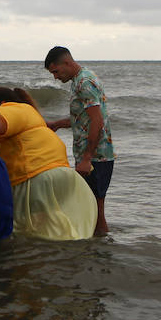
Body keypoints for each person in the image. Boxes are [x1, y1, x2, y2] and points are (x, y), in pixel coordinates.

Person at [0, 86, 96, 241]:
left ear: (3, 103)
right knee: (52, 230)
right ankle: (67, 260)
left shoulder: (11, 109)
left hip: (37, 177)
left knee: (30, 233)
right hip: (64, 176)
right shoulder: (31, 114)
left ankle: (44, 262)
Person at [44, 46, 114, 236]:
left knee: (96, 208)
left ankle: (101, 253)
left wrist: (87, 158)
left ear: (66, 63)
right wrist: (57, 124)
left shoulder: (84, 83)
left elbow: (97, 120)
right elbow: (84, 118)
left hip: (96, 157)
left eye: (56, 72)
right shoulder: (81, 79)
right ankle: (97, 252)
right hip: (93, 155)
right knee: (90, 205)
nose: (55, 77)